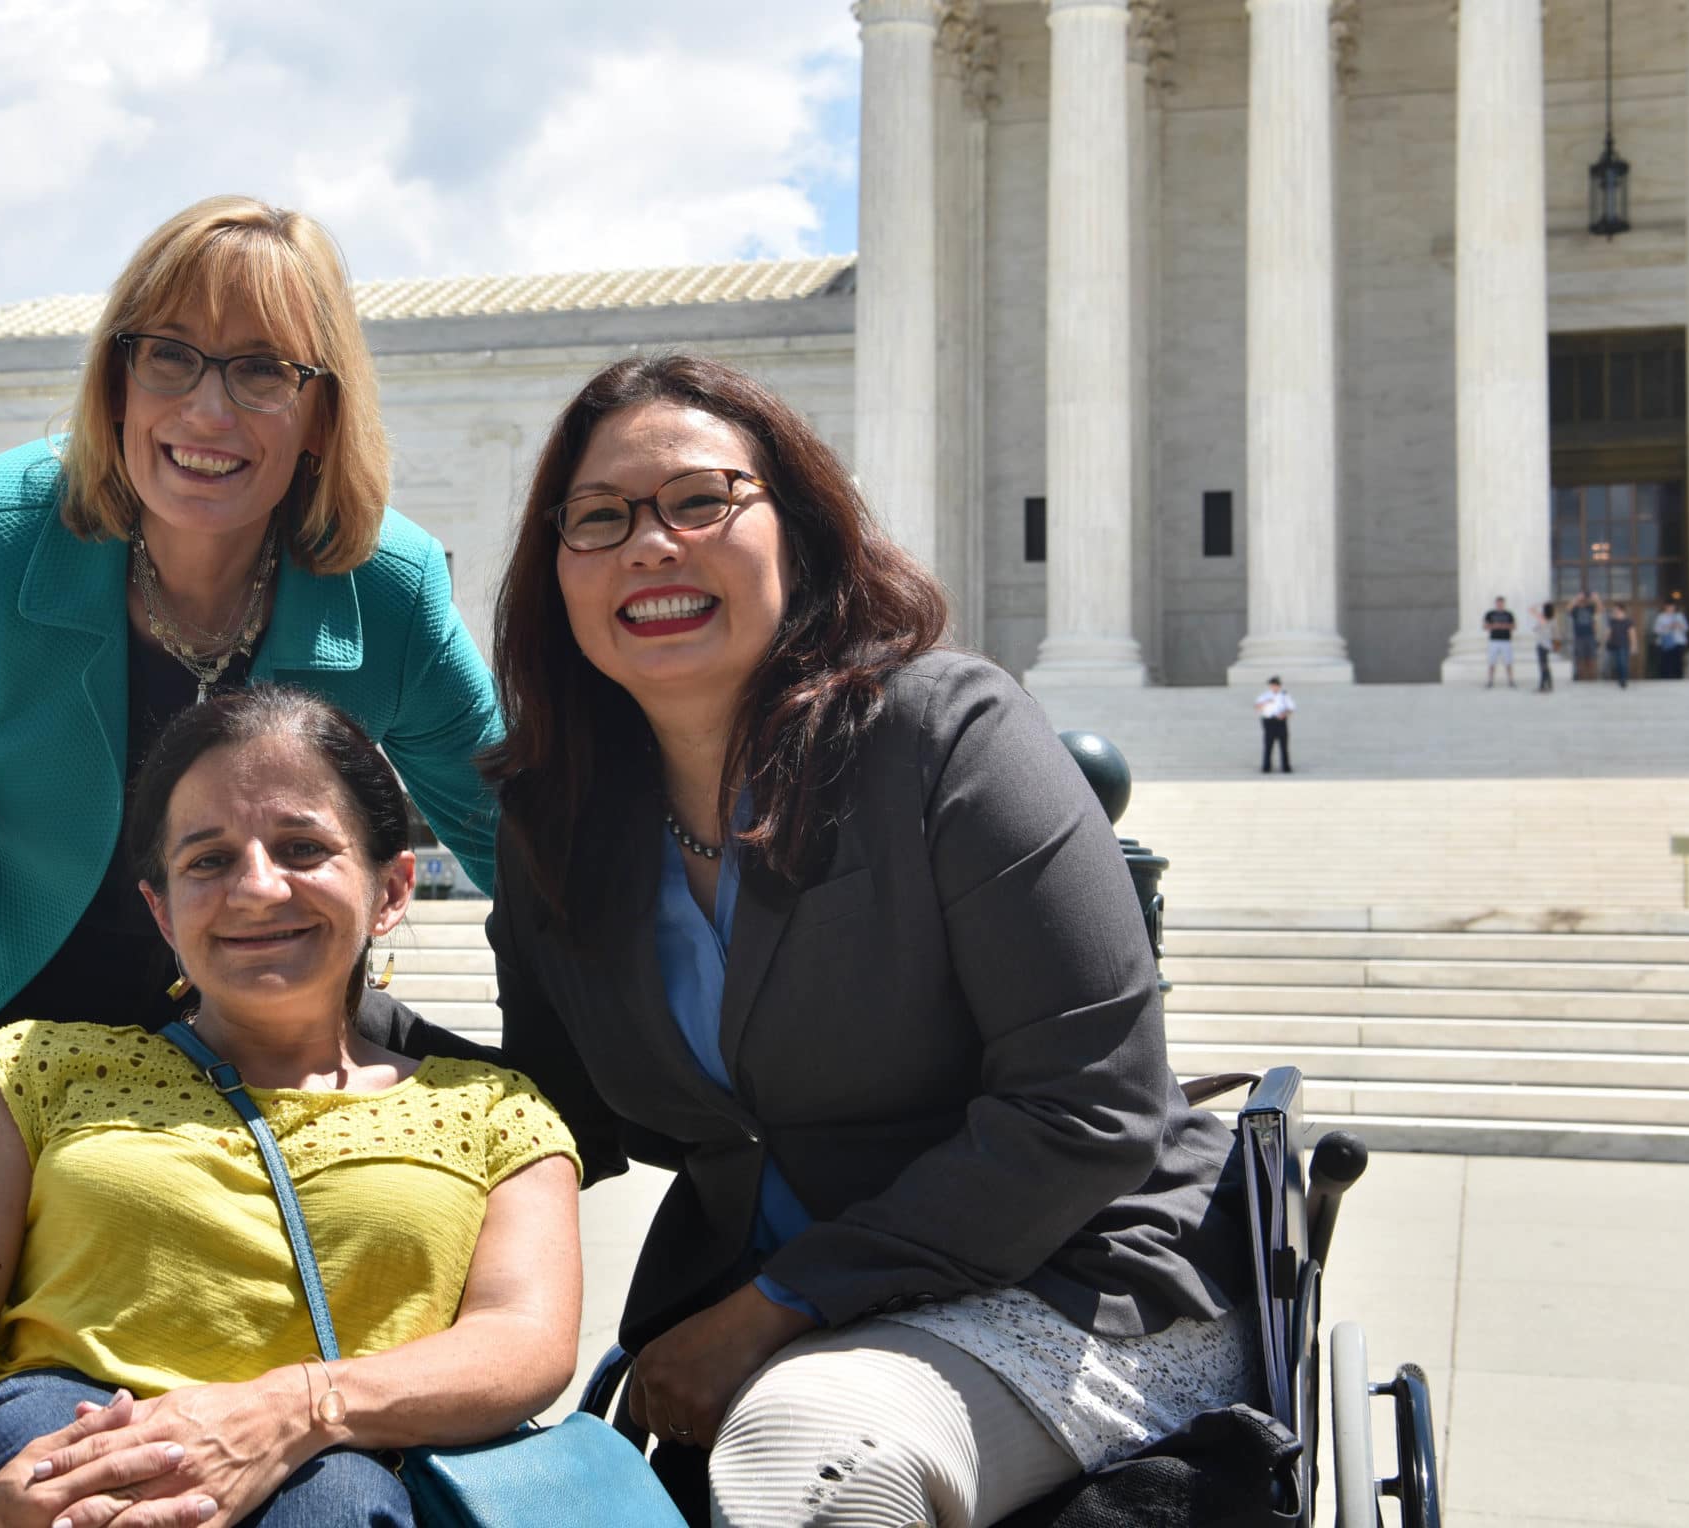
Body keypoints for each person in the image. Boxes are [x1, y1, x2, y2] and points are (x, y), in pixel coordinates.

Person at [482, 354, 1251, 1528]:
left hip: (1069, 1284)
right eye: (598, 518)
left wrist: (770, 1307)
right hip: (771, 1328)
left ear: (798, 525)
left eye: (701, 500)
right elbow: (546, 1114)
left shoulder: (945, 736)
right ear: (556, 574)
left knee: (812, 1455)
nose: (650, 545)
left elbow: (1088, 1111)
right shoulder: (557, 819)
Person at [0, 196, 508, 1380]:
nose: (207, 410)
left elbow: (525, 834)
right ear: (115, 382)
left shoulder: (388, 583)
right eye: (170, 356)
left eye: (263, 370)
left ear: (321, 413)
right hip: (1, 1058)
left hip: (273, 1050)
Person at [0, 688, 583, 1528]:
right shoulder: (38, 1069)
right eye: (208, 860)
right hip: (62, 1441)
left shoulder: (494, 1112)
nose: (258, 889)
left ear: (392, 887)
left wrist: (292, 1410)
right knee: (82, 1469)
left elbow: (525, 1339)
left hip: (355, 1461)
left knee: (337, 1503)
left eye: (302, 847)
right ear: (160, 908)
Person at [1255, 676, 1295, 774]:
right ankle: (1266, 766)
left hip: (1280, 721)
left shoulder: (1284, 695)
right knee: (1268, 744)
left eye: (1276, 685)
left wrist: (1284, 714)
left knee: (1283, 745)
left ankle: (1286, 766)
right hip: (1269, 721)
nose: (1274, 687)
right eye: (1272, 685)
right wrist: (1266, 702)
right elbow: (1257, 706)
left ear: (1279, 686)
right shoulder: (1265, 695)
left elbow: (1291, 708)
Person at [1482, 596, 1518, 688]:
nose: (1500, 605)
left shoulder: (1509, 614)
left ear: (1503, 604)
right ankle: (1490, 681)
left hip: (1506, 640)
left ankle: (1511, 680)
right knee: (1491, 662)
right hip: (1494, 640)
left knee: (1508, 662)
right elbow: (1485, 626)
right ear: (1496, 604)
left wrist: (1503, 626)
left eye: (1501, 603)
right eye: (1498, 603)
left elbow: (1513, 626)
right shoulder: (1490, 614)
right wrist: (1495, 626)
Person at [1652, 596, 1689, 680]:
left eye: (1672, 606)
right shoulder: (1661, 617)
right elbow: (1656, 630)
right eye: (1669, 606)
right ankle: (1666, 678)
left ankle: (1678, 677)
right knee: (1666, 662)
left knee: (1677, 661)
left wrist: (1679, 625)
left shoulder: (1679, 616)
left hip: (1678, 642)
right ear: (1665, 607)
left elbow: (1686, 628)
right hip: (1666, 643)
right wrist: (1668, 626)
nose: (1670, 608)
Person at [1570, 592, 1600, 682]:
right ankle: (1581, 677)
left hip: (1590, 636)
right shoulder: (1575, 610)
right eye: (1581, 600)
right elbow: (1568, 609)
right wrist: (1576, 598)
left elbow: (1600, 609)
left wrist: (1596, 599)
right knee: (1579, 657)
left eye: (1584, 600)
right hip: (1579, 637)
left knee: (1591, 657)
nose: (1583, 602)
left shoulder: (1590, 608)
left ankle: (1592, 677)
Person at [1606, 601, 1635, 688]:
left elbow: (1632, 633)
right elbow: (1608, 632)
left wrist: (1633, 645)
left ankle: (1624, 680)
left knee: (1623, 663)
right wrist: (1607, 641)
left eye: (1616, 609)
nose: (1614, 611)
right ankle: (1620, 679)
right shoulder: (1612, 621)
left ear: (1621, 610)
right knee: (1617, 663)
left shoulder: (1628, 621)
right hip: (1614, 645)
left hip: (1624, 645)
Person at [1531, 601, 1557, 693]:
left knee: (1543, 666)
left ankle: (1543, 685)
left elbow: (1531, 609)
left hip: (1541, 644)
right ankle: (1549, 684)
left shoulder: (1542, 618)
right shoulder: (1553, 620)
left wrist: (1540, 604)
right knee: (1545, 665)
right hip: (1547, 644)